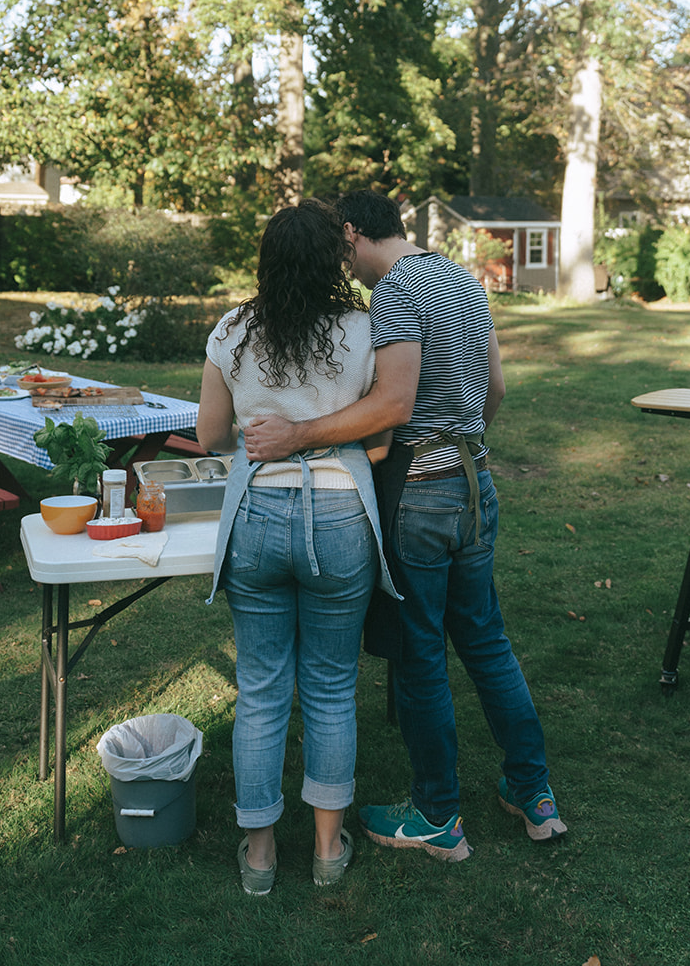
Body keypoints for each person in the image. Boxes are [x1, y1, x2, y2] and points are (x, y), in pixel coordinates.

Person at [245, 188, 566, 862]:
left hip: (422, 496)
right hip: (476, 485)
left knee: (420, 657)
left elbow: (392, 404)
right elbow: (495, 390)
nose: (342, 264)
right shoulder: (461, 278)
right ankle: (532, 794)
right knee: (485, 642)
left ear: (354, 232)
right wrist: (463, 453)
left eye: (341, 247)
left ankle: (437, 817)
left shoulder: (393, 291)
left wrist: (297, 434)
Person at [196, 199, 396, 895]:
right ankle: (326, 846)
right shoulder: (365, 329)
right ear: (333, 258)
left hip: (254, 515)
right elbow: (378, 440)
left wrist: (261, 423)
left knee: (259, 689)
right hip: (340, 516)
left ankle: (257, 855)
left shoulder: (230, 330)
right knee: (332, 687)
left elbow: (210, 437)